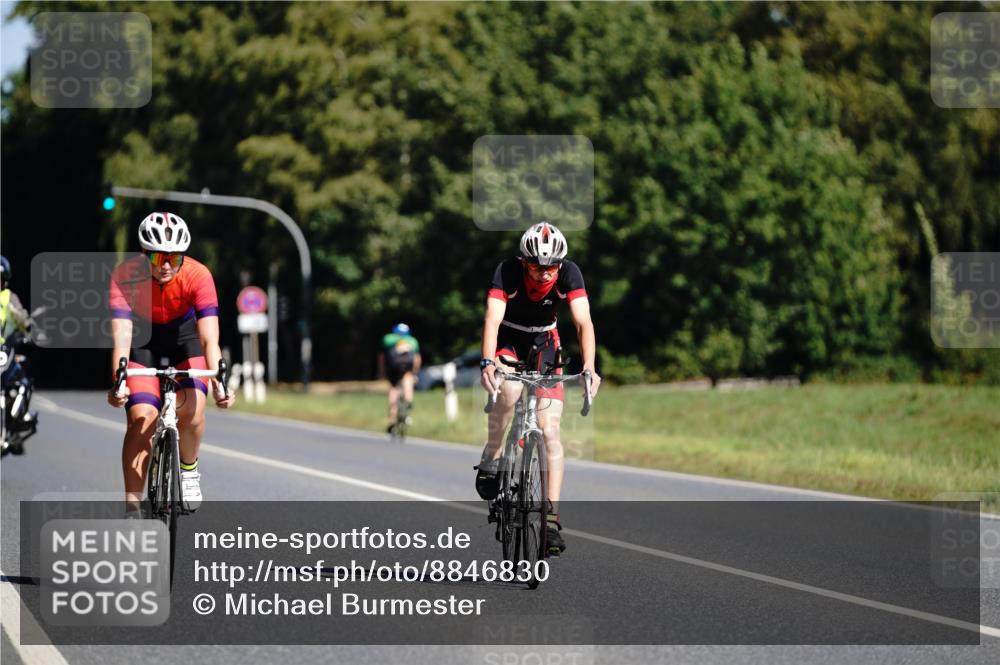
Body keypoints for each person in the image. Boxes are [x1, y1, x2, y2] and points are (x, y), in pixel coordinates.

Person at [475, 221, 601, 556]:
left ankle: (550, 519)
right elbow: (492, 319)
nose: (544, 274)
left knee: (550, 432)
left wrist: (589, 367)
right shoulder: (506, 272)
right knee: (510, 391)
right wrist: (488, 361)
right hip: (510, 341)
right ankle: (493, 453)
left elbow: (583, 322)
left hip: (546, 341)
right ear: (523, 262)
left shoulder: (570, 273)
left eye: (551, 268)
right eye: (535, 267)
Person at [106, 212, 234, 516]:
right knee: (142, 418)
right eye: (157, 257)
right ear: (143, 254)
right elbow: (122, 339)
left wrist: (219, 381)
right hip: (143, 340)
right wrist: (118, 382)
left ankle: (188, 470)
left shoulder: (198, 275)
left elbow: (209, 340)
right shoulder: (125, 275)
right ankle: (132, 507)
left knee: (193, 409)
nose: (165, 265)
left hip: (185, 339)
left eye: (174, 258)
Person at [379, 323, 422, 433]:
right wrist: (415, 374)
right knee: (408, 378)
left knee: (394, 388)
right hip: (407, 366)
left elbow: (382, 358)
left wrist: (382, 372)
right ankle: (408, 401)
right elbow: (417, 359)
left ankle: (392, 422)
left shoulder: (388, 339)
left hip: (393, 367)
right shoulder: (412, 341)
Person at [0, 256, 31, 345]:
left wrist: (19, 316)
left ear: (4, 280)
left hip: (4, 351)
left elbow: (24, 321)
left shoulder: (9, 297)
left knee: (23, 359)